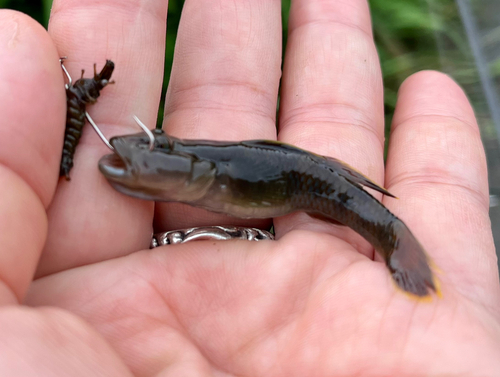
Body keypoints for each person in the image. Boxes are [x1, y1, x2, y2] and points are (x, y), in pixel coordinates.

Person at [1, 0, 499, 375]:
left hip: (309, 183)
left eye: (159, 152)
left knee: (346, 201)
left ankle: (393, 239)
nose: (142, 153)